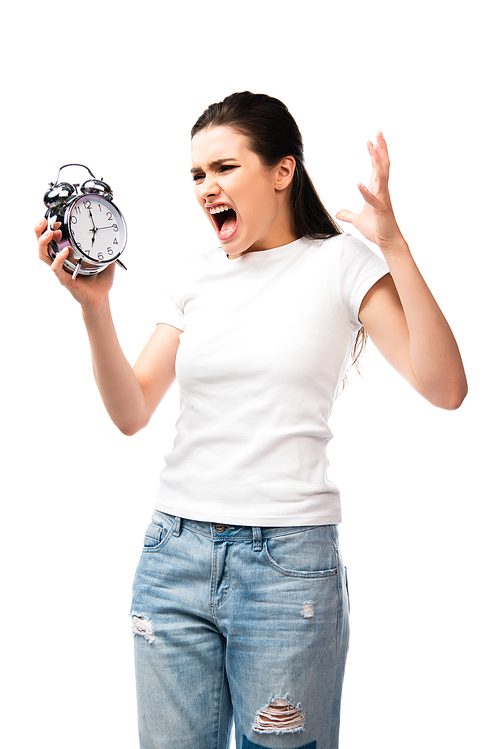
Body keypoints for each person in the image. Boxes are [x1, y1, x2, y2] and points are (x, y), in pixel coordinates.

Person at [36, 91, 467, 749]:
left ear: (282, 171)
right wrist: (94, 306)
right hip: (172, 555)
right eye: (197, 175)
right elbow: (131, 411)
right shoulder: (195, 275)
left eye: (224, 168)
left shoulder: (343, 263)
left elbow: (445, 387)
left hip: (288, 565)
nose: (207, 187)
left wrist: (394, 245)